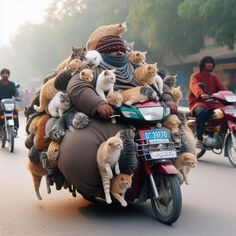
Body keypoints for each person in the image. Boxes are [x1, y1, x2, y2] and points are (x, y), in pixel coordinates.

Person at [58, 36, 177, 199]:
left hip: (146, 116)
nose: (119, 52)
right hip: (110, 119)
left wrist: (168, 100)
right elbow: (78, 87)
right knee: (78, 147)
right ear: (103, 52)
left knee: (176, 135)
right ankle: (101, 188)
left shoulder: (137, 66)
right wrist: (99, 105)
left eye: (122, 49)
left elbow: (160, 83)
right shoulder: (93, 69)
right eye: (114, 50)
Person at [188, 56, 227, 149]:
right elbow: (194, 86)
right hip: (198, 102)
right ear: (203, 64)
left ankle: (220, 134)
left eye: (211, 62)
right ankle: (199, 139)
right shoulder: (195, 76)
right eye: (208, 62)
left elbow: (222, 89)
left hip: (212, 103)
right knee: (202, 112)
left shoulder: (214, 77)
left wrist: (229, 96)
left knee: (227, 111)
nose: (210, 64)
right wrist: (201, 94)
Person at [0, 68, 19, 135]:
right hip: (0, 104)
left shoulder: (12, 84)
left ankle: (15, 128)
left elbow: (15, 92)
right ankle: (0, 129)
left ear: (9, 75)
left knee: (15, 112)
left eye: (7, 73)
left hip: (10, 104)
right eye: (3, 73)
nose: (5, 75)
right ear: (1, 75)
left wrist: (17, 96)